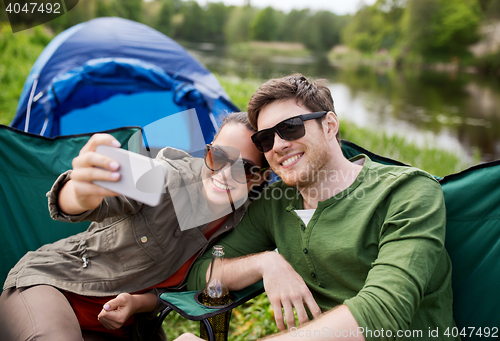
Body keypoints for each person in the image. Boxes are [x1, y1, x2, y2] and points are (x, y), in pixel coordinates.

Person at [182, 74, 458, 340]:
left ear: (329, 126)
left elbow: (383, 312)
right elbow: (201, 273)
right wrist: (265, 262)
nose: (278, 145)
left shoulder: (408, 192)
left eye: (291, 127)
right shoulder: (274, 204)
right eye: (266, 139)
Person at [0, 112, 268, 341]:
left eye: (243, 168)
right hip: (54, 287)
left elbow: (184, 287)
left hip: (123, 326)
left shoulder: (244, 223)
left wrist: (138, 303)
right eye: (218, 155)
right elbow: (85, 199)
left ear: (259, 179)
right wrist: (80, 192)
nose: (223, 173)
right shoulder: (167, 176)